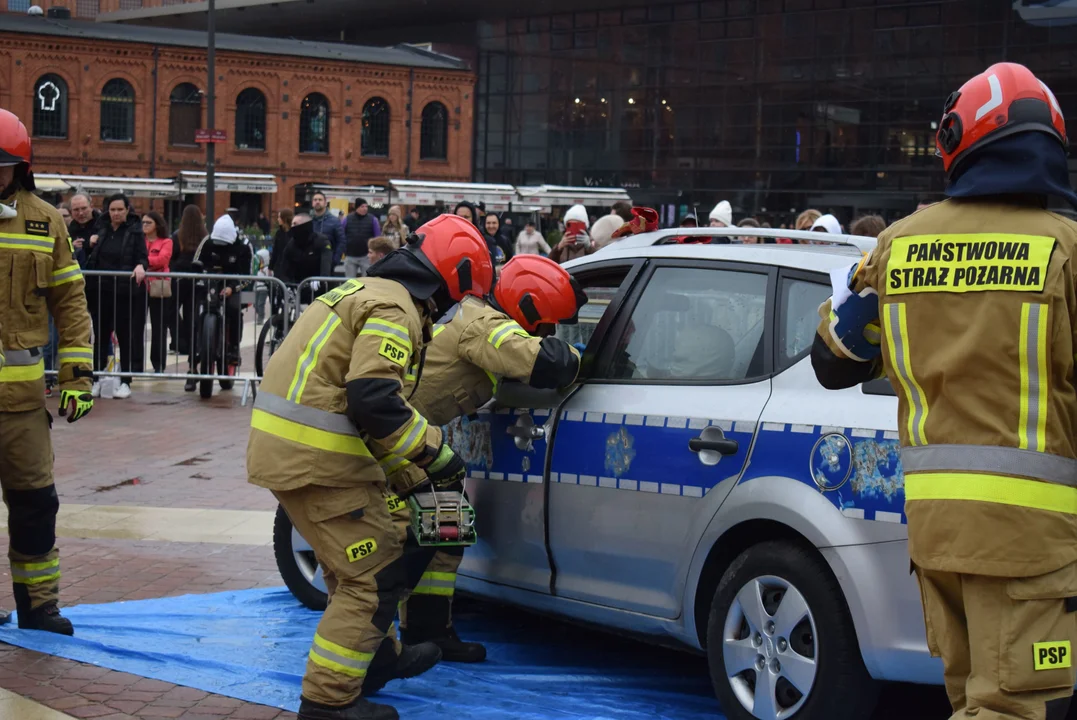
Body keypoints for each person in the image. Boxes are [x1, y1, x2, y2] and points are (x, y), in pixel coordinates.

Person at [811, 62, 1077, 720]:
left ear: (956, 141)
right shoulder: (1066, 248)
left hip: (935, 537)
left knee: (969, 698)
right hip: (1033, 546)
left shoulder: (895, 246)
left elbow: (833, 361)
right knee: (1021, 705)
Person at [248, 214, 495, 720]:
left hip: (309, 452)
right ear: (450, 278)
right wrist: (436, 453)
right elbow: (375, 401)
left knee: (368, 553)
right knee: (373, 578)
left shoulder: (369, 290)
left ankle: (379, 657)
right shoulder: (396, 308)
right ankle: (328, 703)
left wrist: (411, 474)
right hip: (317, 460)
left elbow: (358, 409)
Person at [388, 254, 584, 664]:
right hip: (392, 441)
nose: (548, 331)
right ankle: (373, 639)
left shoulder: (482, 319)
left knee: (448, 530)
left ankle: (428, 630)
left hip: (412, 437)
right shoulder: (485, 326)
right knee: (397, 547)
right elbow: (546, 361)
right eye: (546, 323)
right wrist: (588, 355)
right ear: (527, 305)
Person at [0, 108, 94, 634]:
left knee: (37, 504)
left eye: (3, 166)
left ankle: (39, 607)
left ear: (21, 167)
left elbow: (70, 303)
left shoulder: (45, 220)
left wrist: (78, 378)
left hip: (21, 405)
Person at [85, 193, 147, 400]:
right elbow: (91, 256)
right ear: (107, 211)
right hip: (101, 291)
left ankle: (126, 381)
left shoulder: (135, 230)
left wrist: (140, 266)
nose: (116, 213)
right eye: (112, 210)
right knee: (100, 337)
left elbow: (142, 256)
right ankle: (96, 379)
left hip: (124, 292)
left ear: (127, 210)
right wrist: (90, 243)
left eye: (120, 209)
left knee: (125, 337)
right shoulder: (101, 227)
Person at [193, 214, 252, 376]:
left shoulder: (244, 246)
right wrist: (200, 279)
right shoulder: (207, 241)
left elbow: (248, 276)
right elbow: (196, 264)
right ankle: (198, 348)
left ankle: (233, 347)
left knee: (234, 308)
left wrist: (233, 288)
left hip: (233, 283)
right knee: (197, 310)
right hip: (210, 281)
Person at [169, 205, 205, 375]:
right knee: (194, 319)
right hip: (197, 282)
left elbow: (172, 258)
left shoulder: (177, 236)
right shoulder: (204, 237)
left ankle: (180, 340)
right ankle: (193, 354)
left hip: (178, 280)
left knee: (171, 312)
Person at [278, 212, 333, 305]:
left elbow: (326, 264)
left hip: (319, 290)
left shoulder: (321, 241)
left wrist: (321, 279)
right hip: (298, 289)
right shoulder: (291, 245)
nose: (292, 227)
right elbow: (284, 268)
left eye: (295, 224)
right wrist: (286, 285)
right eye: (292, 224)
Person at [143, 212, 173, 373]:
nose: (145, 225)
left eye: (148, 222)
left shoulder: (166, 241)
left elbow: (163, 260)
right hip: (140, 285)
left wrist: (142, 262)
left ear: (157, 225)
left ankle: (158, 363)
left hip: (158, 286)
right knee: (136, 326)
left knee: (159, 327)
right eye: (143, 222)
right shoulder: (139, 240)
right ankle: (136, 363)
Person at [343, 198, 381, 279]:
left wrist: (374, 252)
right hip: (350, 256)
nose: (365, 208)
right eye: (362, 206)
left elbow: (377, 237)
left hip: (367, 256)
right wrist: (344, 249)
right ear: (357, 208)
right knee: (349, 282)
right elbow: (341, 234)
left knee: (368, 281)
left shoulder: (372, 219)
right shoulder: (347, 219)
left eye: (366, 206)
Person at [311, 191, 345, 264]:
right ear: (312, 203)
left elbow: (342, 241)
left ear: (325, 203)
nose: (317, 202)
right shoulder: (308, 220)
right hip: (310, 261)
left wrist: (335, 259)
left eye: (320, 200)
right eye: (315, 200)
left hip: (328, 262)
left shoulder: (335, 221)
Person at [67, 192, 97, 268]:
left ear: (91, 207)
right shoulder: (71, 228)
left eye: (84, 208)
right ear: (71, 212)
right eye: (76, 210)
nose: (80, 213)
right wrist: (72, 246)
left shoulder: (102, 224)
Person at [270, 208, 293, 276]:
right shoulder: (279, 233)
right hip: (279, 267)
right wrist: (270, 267)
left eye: (279, 217)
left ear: (285, 218)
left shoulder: (295, 233)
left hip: (290, 268)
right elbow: (275, 251)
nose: (278, 219)